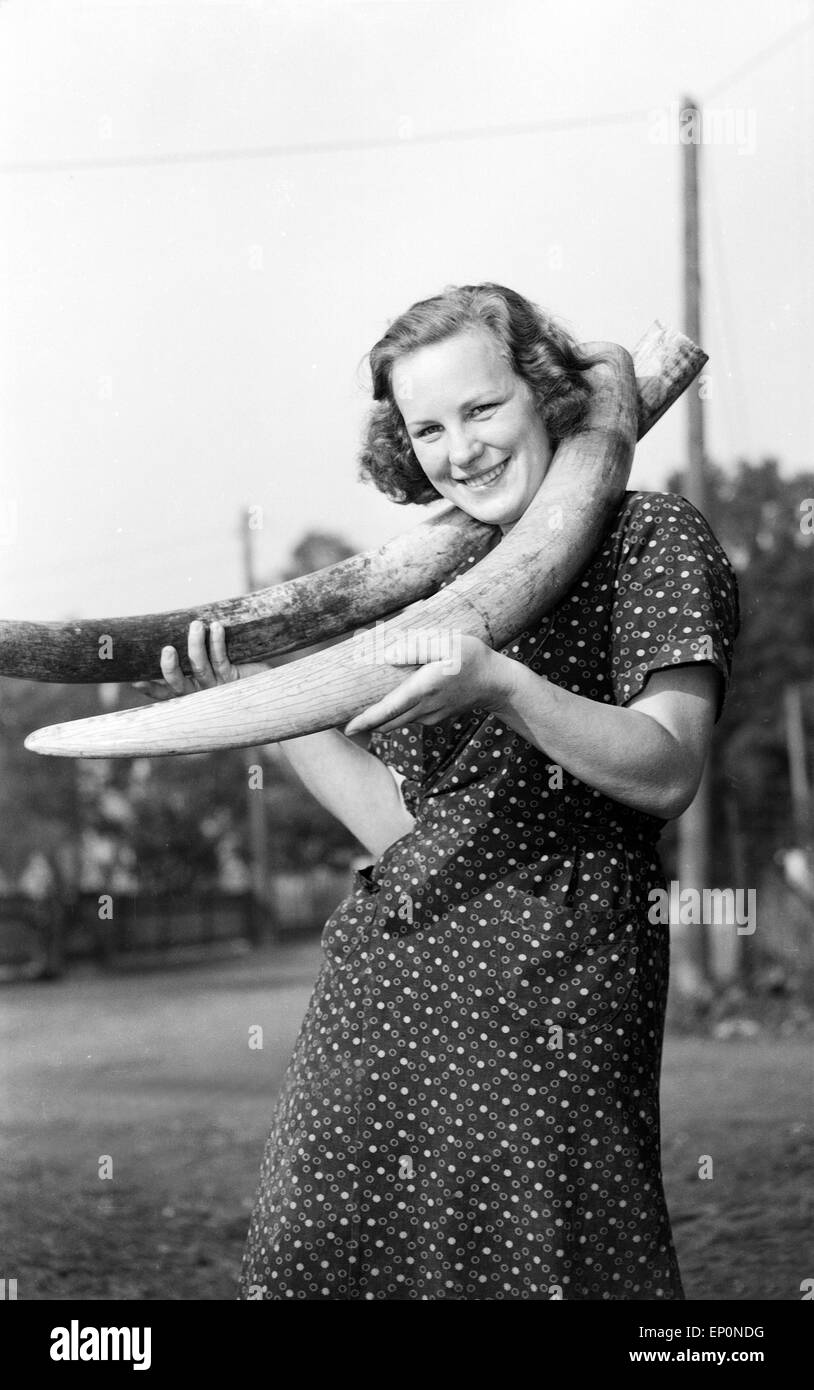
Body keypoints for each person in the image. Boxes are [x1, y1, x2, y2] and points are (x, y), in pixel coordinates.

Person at [137, 283, 739, 1300]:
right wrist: (258, 700)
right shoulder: (430, 589)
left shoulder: (652, 538)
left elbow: (667, 767)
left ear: (543, 393)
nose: (458, 450)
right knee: (320, 1259)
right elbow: (399, 823)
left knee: (546, 1259)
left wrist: (499, 682)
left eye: (480, 410)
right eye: (426, 427)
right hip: (383, 980)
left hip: (558, 977)